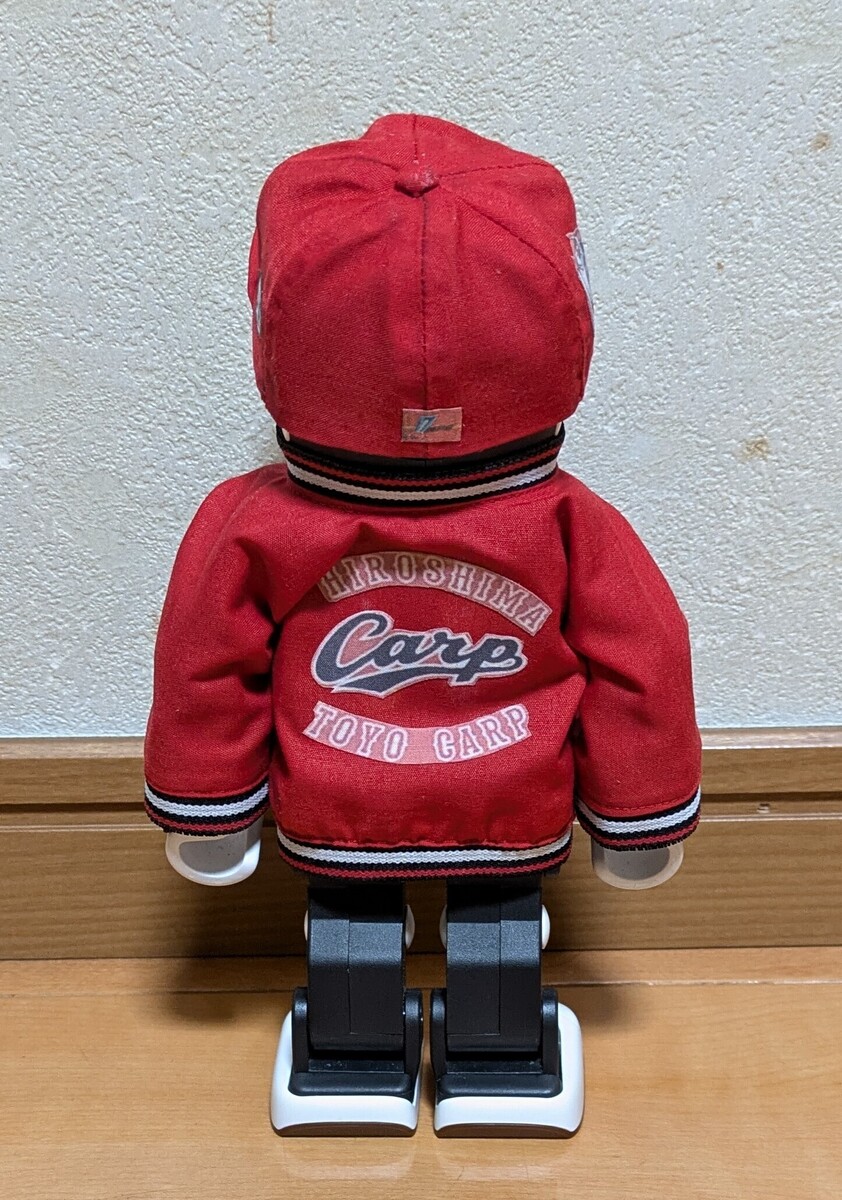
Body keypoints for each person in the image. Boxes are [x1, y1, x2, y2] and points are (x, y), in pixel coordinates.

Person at [144, 113, 702, 1136]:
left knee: (354, 944)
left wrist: (209, 814)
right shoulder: (572, 523)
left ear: (271, 327)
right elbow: (643, 668)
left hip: (337, 803)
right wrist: (638, 818)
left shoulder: (252, 523)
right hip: (511, 801)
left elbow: (203, 670)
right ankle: (499, 1063)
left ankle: (354, 1063)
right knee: (497, 943)